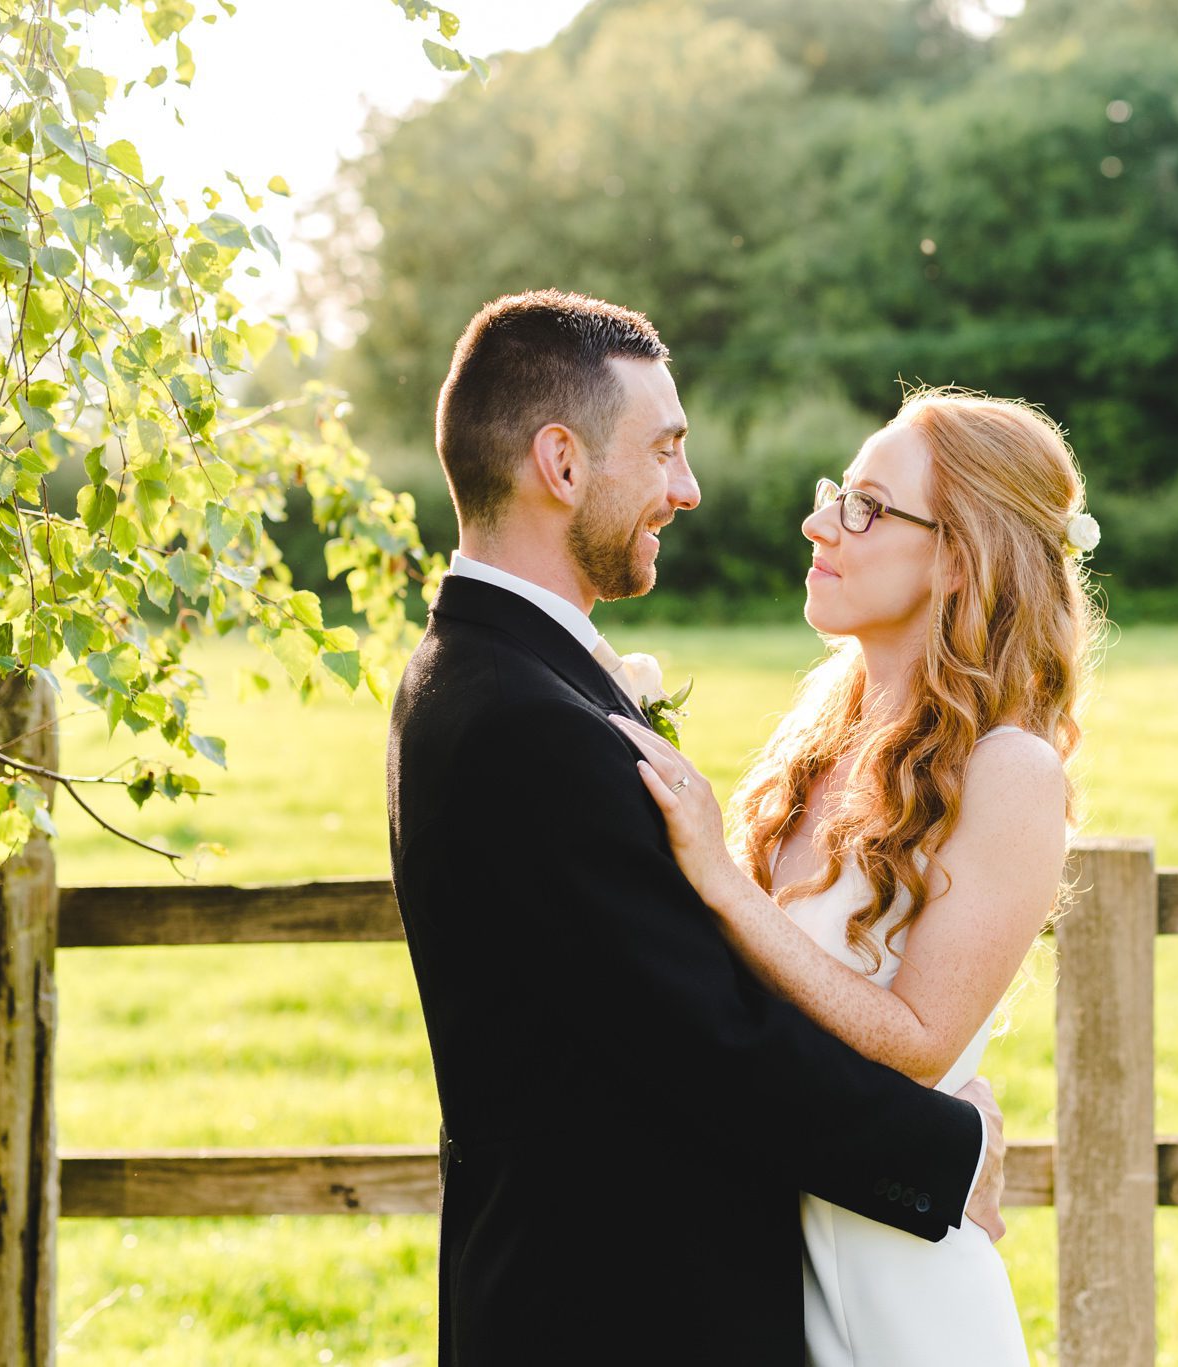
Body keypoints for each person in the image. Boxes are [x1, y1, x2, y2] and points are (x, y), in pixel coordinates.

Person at [384, 290, 1007, 1366]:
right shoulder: (524, 720)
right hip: (616, 1312)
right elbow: (706, 1041)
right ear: (562, 465)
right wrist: (948, 1147)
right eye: (665, 450)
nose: (688, 488)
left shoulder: (491, 673)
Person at [615, 387, 1101, 1366]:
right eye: (837, 491)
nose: (817, 520)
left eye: (867, 506)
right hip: (759, 1265)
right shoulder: (820, 735)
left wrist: (719, 877)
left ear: (958, 554)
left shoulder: (1008, 769)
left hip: (896, 1292)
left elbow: (920, 1042)